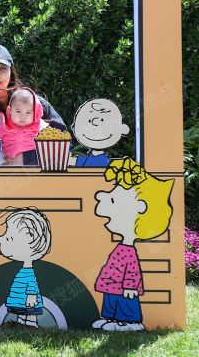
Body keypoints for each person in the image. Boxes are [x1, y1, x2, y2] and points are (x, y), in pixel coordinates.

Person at [92, 158, 174, 332]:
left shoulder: (128, 251)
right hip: (111, 285)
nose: (100, 196)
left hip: (122, 287)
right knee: (111, 300)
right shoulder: (122, 248)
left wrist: (130, 286)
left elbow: (133, 270)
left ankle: (128, 321)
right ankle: (110, 318)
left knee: (125, 302)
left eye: (113, 200)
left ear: (139, 208)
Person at [0, 208, 53, 328]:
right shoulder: (24, 271)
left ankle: (31, 324)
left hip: (27, 300)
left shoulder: (28, 272)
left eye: (9, 238)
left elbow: (32, 283)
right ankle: (22, 323)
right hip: (20, 299)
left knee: (29, 313)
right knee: (22, 312)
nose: (0, 239)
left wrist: (32, 295)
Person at [0, 87, 47, 166]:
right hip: (8, 165)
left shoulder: (41, 127)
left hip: (33, 166)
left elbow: (51, 148)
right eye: (18, 111)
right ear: (10, 111)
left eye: (28, 112)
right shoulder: (4, 126)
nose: (23, 117)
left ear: (35, 112)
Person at [70, 98, 130, 167]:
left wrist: (74, 161)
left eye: (102, 120)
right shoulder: (89, 157)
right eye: (89, 121)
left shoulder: (102, 161)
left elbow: (95, 163)